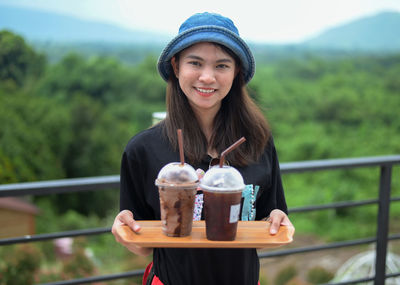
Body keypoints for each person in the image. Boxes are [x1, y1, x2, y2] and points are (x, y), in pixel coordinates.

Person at [111, 12, 293, 285]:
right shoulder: (143, 150)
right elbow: (143, 245)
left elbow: (267, 229)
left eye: (222, 66)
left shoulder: (258, 142)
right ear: (176, 66)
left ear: (237, 72)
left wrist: (277, 221)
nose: (207, 77)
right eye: (195, 63)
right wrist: (125, 229)